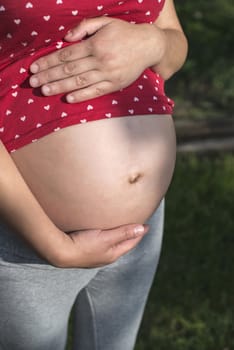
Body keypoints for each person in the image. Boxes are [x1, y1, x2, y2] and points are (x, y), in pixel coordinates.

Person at [0, 0, 188, 349]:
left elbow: (173, 40)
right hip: (28, 229)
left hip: (141, 230)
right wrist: (55, 246)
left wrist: (153, 43)